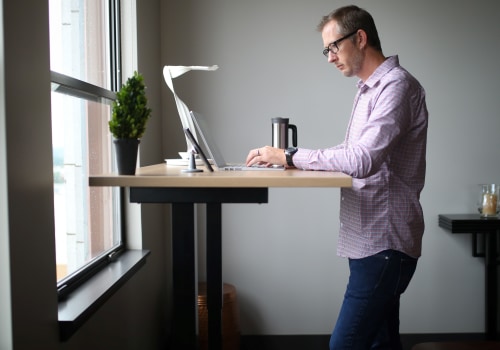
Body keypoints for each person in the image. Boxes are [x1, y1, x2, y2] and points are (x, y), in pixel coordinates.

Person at [246, 5, 428, 350]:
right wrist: (291, 161)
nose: (329, 58)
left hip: (383, 243)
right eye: (325, 50)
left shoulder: (396, 87)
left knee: (344, 345)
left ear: (360, 38)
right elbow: (351, 152)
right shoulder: (369, 89)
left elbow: (361, 159)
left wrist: (288, 154)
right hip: (371, 241)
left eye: (333, 47)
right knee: (380, 343)